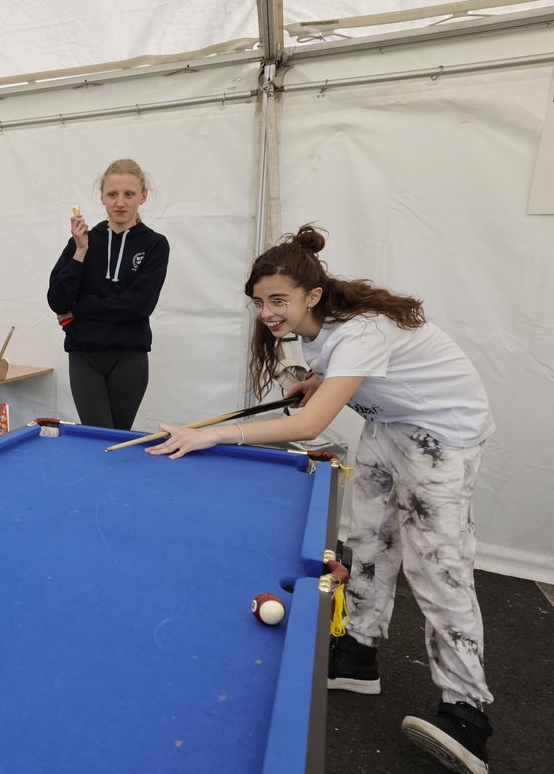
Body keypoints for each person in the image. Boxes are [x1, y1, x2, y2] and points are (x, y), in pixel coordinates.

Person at [149, 225, 495, 774]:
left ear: (312, 294)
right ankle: (358, 653)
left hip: (443, 435)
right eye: (260, 302)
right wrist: (318, 378)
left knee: (438, 565)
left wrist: (210, 434)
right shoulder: (321, 331)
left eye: (278, 300)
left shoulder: (362, 332)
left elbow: (310, 425)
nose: (267, 312)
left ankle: (467, 711)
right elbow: (339, 373)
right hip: (392, 425)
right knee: (369, 540)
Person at [47, 159, 170, 431]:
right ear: (102, 197)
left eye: (129, 194)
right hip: (84, 355)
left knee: (117, 437)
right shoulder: (81, 241)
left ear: (143, 196)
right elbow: (57, 301)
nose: (120, 202)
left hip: (129, 356)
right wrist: (79, 253)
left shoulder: (155, 244)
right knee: (97, 435)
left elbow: (139, 305)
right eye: (112, 194)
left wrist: (79, 309)